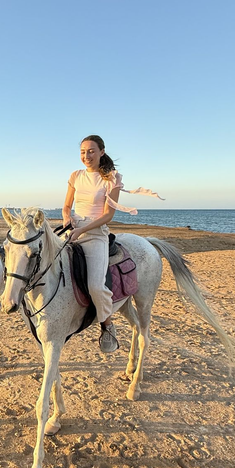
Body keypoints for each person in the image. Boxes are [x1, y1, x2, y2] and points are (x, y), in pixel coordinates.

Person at [62, 135, 163, 353]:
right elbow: (67, 205)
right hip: (74, 229)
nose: (86, 156)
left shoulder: (111, 178)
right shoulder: (75, 176)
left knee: (97, 286)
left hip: (96, 234)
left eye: (90, 151)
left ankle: (107, 325)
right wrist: (66, 219)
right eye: (82, 152)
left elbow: (108, 215)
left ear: (102, 152)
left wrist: (82, 230)